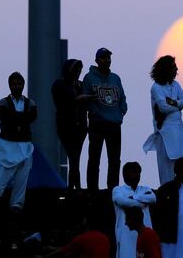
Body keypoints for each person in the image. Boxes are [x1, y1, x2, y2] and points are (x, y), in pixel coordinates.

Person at [0, 72, 36, 210]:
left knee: (21, 180)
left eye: (19, 83)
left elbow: (31, 118)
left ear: (23, 84)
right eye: (14, 84)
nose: (17, 86)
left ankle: (16, 206)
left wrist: (16, 119)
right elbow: (7, 119)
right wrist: (21, 119)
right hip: (7, 146)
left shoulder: (30, 103)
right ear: (9, 85)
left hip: (25, 146)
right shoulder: (3, 102)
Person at [83, 47, 128, 190]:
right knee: (94, 158)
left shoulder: (115, 78)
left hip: (114, 124)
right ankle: (92, 189)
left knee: (114, 160)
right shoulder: (89, 78)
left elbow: (122, 98)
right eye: (103, 57)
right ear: (97, 60)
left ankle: (112, 188)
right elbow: (87, 100)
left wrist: (120, 113)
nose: (107, 60)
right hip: (97, 124)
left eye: (108, 57)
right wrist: (97, 114)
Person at [143, 55, 183, 186]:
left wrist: (173, 103)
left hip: (179, 131)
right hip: (164, 132)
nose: (177, 69)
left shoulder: (176, 85)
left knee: (182, 165)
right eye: (173, 67)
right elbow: (163, 107)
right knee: (166, 171)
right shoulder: (156, 87)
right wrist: (177, 106)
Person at [52, 58, 91, 190]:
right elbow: (60, 101)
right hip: (66, 126)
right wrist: (75, 100)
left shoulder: (81, 85)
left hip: (81, 126)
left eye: (79, 69)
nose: (78, 72)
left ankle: (74, 188)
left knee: (75, 158)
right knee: (74, 157)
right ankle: (74, 188)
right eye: (76, 69)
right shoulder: (59, 84)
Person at [112, 162, 156, 258]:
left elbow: (153, 198)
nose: (137, 175)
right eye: (134, 172)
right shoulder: (118, 190)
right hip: (126, 234)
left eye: (139, 172)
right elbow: (122, 202)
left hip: (144, 234)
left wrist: (133, 197)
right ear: (125, 174)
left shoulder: (145, 188)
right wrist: (142, 202)